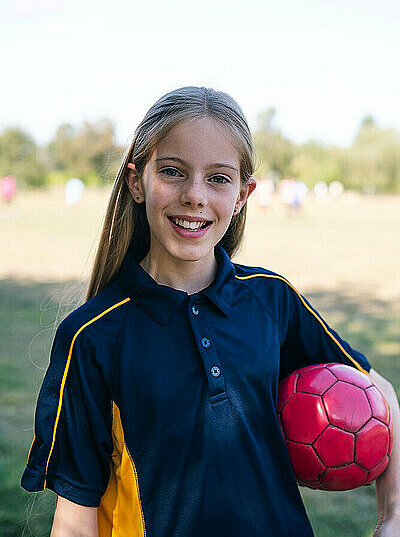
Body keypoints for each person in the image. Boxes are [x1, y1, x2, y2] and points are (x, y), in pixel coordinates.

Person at [21, 86, 399, 536]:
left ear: (243, 194)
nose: (195, 196)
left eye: (218, 178)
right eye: (173, 172)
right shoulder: (92, 335)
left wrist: (392, 515)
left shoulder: (271, 297)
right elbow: (74, 522)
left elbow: (379, 394)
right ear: (136, 182)